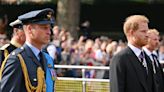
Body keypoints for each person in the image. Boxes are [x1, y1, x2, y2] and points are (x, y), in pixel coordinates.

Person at [0, 8, 56, 92]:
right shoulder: (16, 59)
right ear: (29, 29)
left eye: (49, 28)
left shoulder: (44, 57)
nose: (49, 32)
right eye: (44, 28)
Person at [110, 15, 155, 92]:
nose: (147, 35)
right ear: (132, 33)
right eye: (143, 31)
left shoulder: (147, 58)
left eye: (147, 31)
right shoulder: (120, 59)